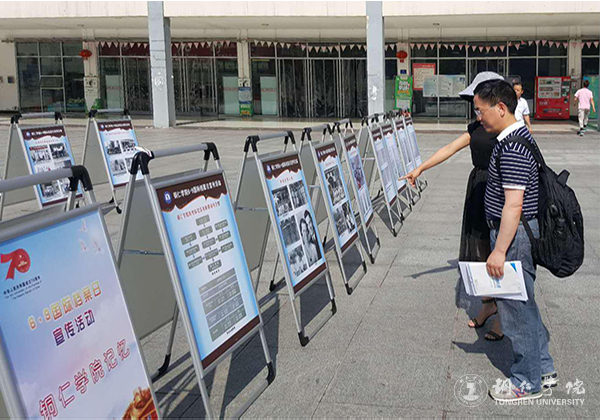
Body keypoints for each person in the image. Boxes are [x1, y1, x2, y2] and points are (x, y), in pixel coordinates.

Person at [402, 72, 504, 341]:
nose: (477, 112)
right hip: (478, 188)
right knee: (480, 248)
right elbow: (449, 148)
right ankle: (488, 304)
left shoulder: (507, 129)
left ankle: (503, 315)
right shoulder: (475, 128)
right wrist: (420, 168)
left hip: (499, 191)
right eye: (475, 107)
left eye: (481, 107)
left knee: (500, 249)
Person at [473, 79, 557, 401]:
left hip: (514, 237)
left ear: (500, 108)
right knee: (526, 305)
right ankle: (543, 368)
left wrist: (498, 250)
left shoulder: (512, 147)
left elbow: (513, 204)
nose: (479, 117)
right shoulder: (517, 137)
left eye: (481, 111)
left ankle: (526, 381)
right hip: (518, 233)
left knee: (516, 313)